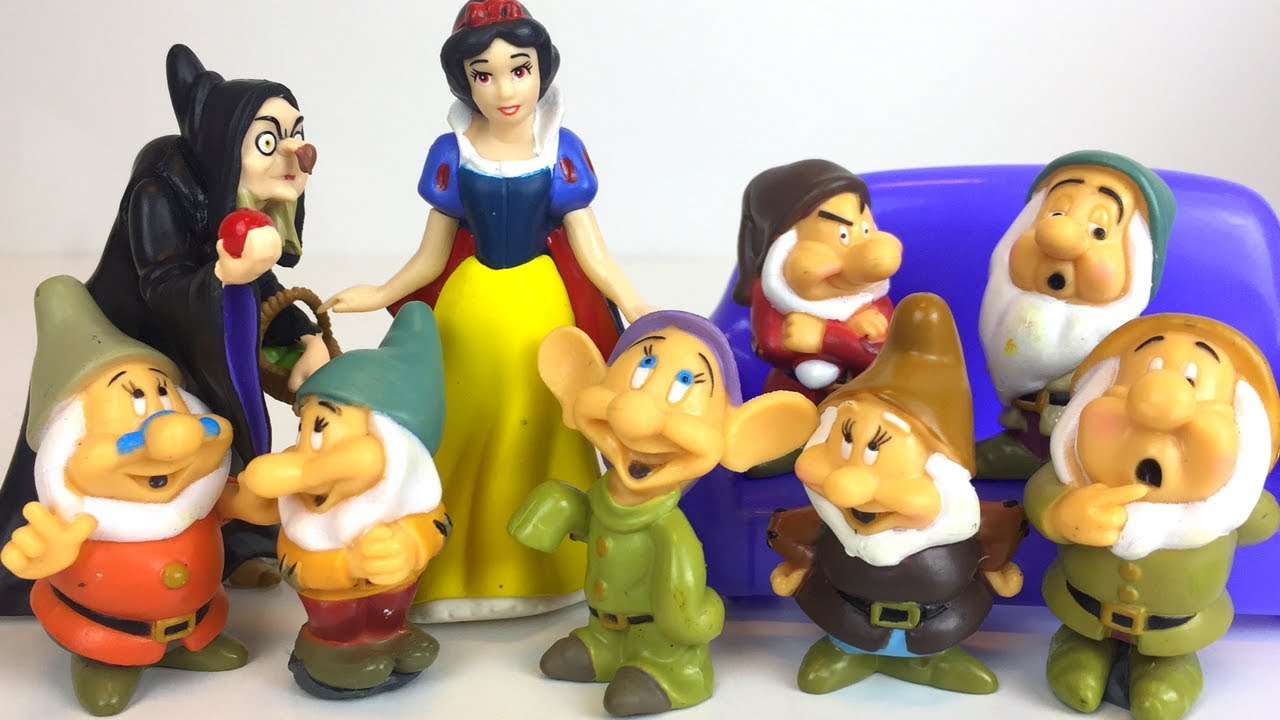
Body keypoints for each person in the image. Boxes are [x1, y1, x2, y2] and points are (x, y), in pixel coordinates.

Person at [323, 0, 648, 623]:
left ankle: (545, 568)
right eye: (484, 74)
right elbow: (430, 256)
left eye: (519, 69)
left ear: (541, 70)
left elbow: (592, 249)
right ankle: (447, 566)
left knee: (538, 424)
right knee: (462, 426)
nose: (504, 89)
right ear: (465, 81)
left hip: (540, 308)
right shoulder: (452, 152)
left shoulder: (561, 149)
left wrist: (633, 302)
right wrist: (382, 293)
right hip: (469, 307)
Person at [0, 45, 328, 616]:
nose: (296, 153)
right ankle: (61, 566)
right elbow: (165, 282)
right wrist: (227, 274)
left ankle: (230, 542)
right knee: (103, 459)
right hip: (128, 343)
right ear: (226, 145)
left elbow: (261, 282)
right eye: (268, 140)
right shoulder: (159, 191)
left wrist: (301, 336)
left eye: (298, 134)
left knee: (225, 439)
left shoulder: (236, 200)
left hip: (200, 340)